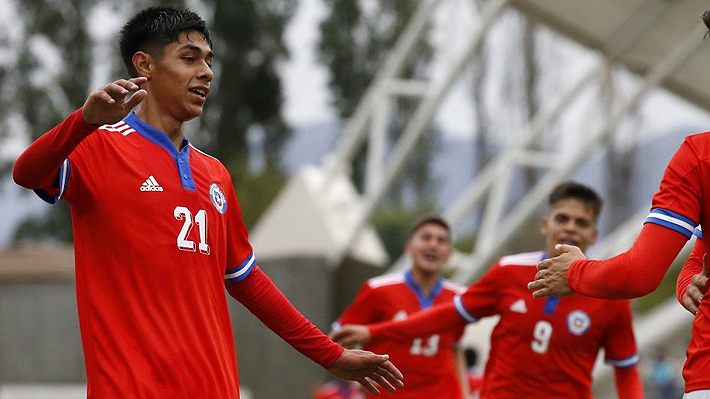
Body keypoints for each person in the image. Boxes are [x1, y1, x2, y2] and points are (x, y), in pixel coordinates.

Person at [11, 6, 403, 399]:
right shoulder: (98, 146)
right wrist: (83, 121)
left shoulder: (214, 174)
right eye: (189, 58)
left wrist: (329, 355)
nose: (207, 72)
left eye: (209, 60)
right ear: (144, 65)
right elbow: (27, 173)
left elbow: (248, 281)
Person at [527, 13, 710, 399]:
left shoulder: (699, 155)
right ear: (545, 224)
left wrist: (576, 272)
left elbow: (640, 274)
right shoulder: (503, 275)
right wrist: (686, 278)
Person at [331, 182, 644, 399]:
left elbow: (627, 369)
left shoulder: (608, 293)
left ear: (594, 232)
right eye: (563, 218)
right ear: (545, 225)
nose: (571, 227)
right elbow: (447, 317)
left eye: (581, 221)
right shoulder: (508, 272)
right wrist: (374, 332)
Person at [330, 216, 469, 399]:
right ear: (408, 248)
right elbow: (337, 338)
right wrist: (354, 379)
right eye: (426, 238)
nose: (433, 245)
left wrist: (466, 394)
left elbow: (455, 348)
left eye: (441, 240)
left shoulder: (460, 297)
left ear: (449, 254)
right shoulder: (378, 289)